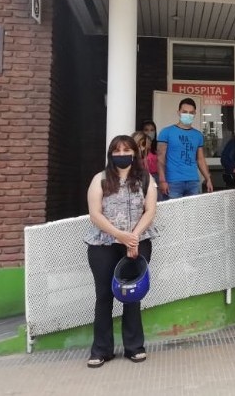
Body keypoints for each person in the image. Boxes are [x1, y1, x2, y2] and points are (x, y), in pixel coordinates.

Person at [84, 135, 158, 368]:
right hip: (103, 245)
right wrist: (120, 235)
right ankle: (101, 350)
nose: (121, 154)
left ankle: (134, 347)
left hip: (138, 241)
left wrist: (133, 238)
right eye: (116, 150)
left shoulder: (146, 179)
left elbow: (150, 211)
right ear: (110, 154)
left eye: (126, 149)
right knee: (104, 296)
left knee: (132, 295)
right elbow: (95, 214)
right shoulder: (101, 179)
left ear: (134, 152)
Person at [157, 98, 213, 198]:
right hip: (173, 182)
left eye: (191, 112)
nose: (188, 115)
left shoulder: (198, 135)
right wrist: (162, 180)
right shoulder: (166, 132)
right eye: (185, 112)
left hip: (193, 181)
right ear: (178, 112)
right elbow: (160, 159)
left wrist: (208, 178)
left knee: (192, 213)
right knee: (173, 213)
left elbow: (200, 159)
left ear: (195, 113)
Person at [140, 120, 159, 185]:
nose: (149, 132)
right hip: (141, 177)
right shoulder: (138, 145)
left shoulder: (158, 145)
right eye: (146, 130)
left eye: (152, 130)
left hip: (156, 177)